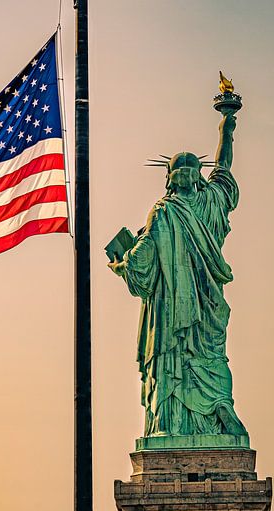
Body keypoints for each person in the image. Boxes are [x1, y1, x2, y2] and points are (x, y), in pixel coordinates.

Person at [108, 109, 247, 438]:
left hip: (173, 313)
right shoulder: (211, 203)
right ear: (198, 176)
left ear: (170, 178)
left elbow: (141, 262)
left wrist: (121, 264)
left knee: (176, 356)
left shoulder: (164, 210)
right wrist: (227, 123)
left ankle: (171, 424)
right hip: (207, 303)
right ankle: (217, 406)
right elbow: (224, 166)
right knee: (211, 355)